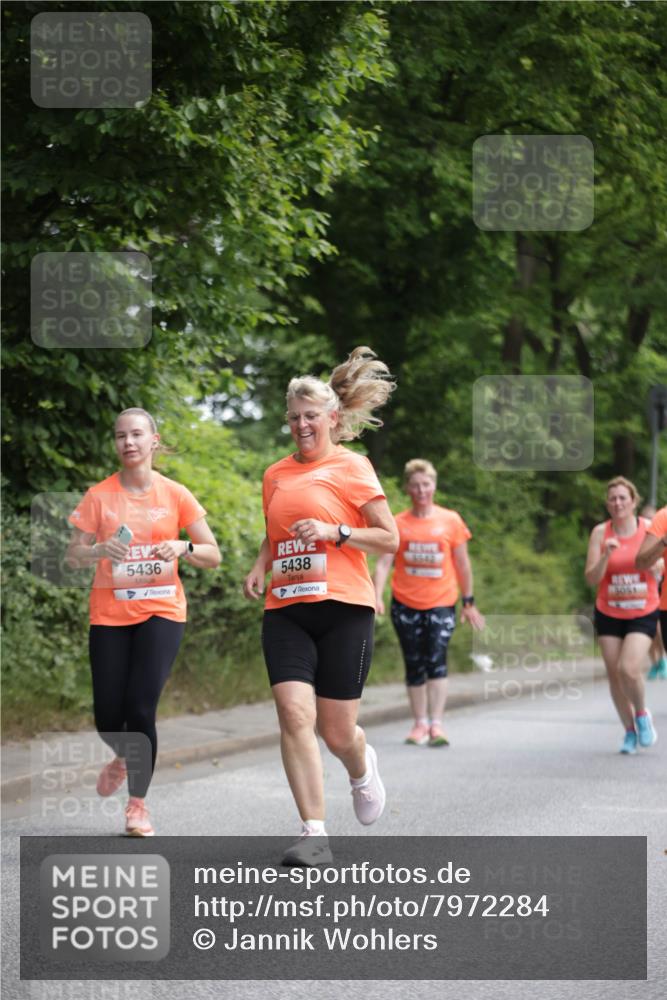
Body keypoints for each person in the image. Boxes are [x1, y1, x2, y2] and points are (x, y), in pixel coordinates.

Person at [243, 347, 398, 865]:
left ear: (332, 418)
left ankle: (361, 765)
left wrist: (337, 531)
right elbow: (276, 531)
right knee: (292, 714)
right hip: (286, 606)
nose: (302, 425)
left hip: (344, 608)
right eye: (294, 417)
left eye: (311, 416)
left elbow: (389, 538)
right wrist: (261, 563)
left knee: (336, 731)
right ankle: (314, 833)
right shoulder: (275, 474)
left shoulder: (353, 467)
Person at [66, 408, 220, 835]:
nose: (128, 442)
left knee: (140, 707)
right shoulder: (99, 496)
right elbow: (72, 555)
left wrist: (182, 546)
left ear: (154, 440)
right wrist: (100, 552)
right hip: (110, 615)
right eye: (120, 436)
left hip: (162, 611)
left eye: (136, 434)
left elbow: (213, 555)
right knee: (108, 717)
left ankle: (137, 806)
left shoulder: (175, 494)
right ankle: (122, 755)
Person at [373, 459, 485, 748]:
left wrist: (468, 602)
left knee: (436, 659)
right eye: (415, 485)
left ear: (434, 485)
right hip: (405, 604)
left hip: (442, 603)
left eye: (426, 484)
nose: (421, 490)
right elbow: (384, 562)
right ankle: (419, 723)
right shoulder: (397, 523)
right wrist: (376, 595)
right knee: (413, 662)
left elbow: (462, 564)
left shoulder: (450, 520)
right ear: (408, 488)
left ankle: (437, 724)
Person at [584, 477, 659, 754]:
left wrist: (658, 566)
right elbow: (591, 578)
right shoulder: (600, 533)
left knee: (629, 668)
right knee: (614, 675)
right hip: (609, 611)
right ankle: (629, 731)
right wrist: (606, 555)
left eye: (622, 498)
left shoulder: (649, 529)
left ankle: (641, 714)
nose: (617, 503)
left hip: (643, 610)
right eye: (612, 499)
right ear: (607, 503)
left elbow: (660, 562)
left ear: (633, 502)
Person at [636, 503, 667, 679]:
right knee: (650, 630)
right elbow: (639, 562)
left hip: (656, 591)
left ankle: (661, 660)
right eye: (646, 519)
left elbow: (659, 567)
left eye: (650, 518)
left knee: (655, 629)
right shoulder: (645, 536)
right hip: (645, 593)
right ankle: (656, 661)